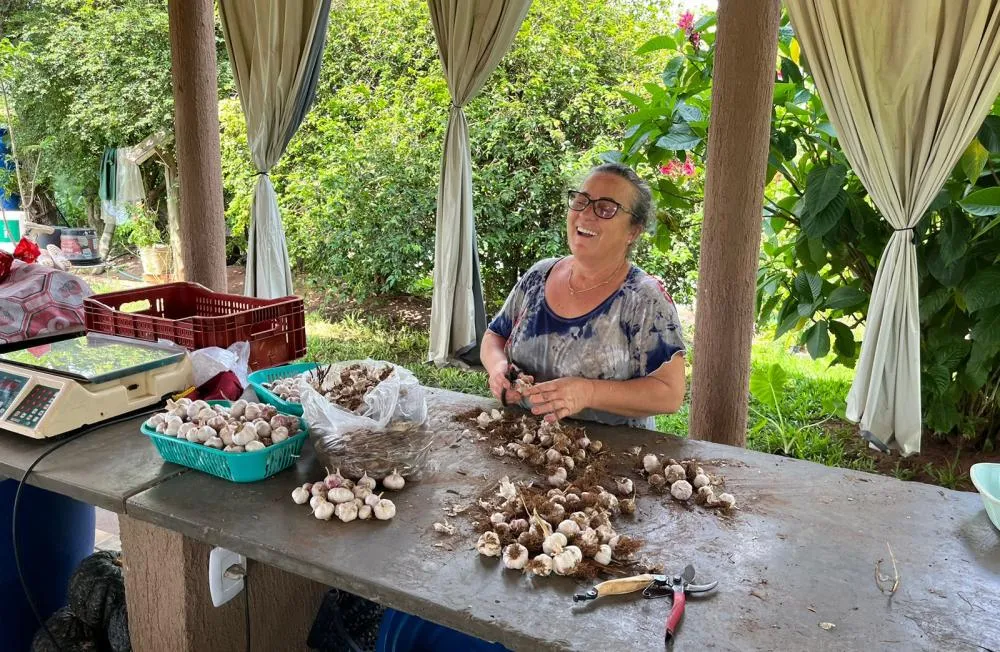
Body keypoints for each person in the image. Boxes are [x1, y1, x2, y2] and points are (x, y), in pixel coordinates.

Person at [480, 162, 686, 429]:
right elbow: (494, 336)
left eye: (606, 208)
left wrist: (588, 392)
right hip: (520, 442)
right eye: (581, 201)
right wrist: (498, 369)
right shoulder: (538, 276)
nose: (586, 215)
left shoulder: (644, 299)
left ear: (633, 231)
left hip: (609, 457)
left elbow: (669, 393)